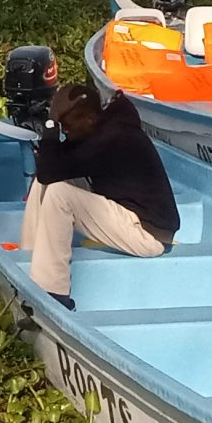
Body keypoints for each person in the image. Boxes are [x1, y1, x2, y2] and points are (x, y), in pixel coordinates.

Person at [23, 83, 179, 309]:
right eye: (62, 126)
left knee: (59, 194)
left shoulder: (113, 139)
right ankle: (28, 254)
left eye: (67, 125)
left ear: (88, 118)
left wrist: (50, 125)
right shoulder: (99, 129)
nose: (65, 131)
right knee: (48, 181)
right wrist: (54, 128)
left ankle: (53, 292)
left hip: (147, 234)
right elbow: (49, 170)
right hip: (125, 212)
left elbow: (49, 169)